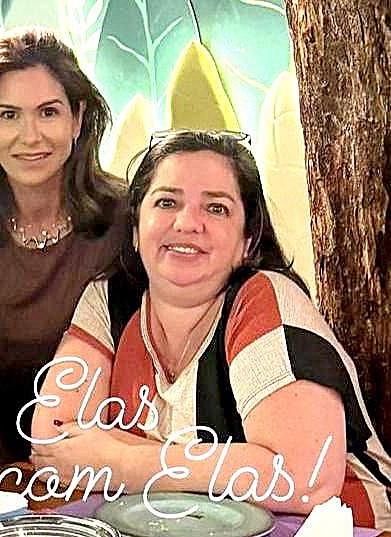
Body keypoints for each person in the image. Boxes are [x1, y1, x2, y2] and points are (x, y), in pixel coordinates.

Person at [30, 131, 391, 529]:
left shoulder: (263, 300)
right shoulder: (108, 300)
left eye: (216, 208)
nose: (187, 223)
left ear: (248, 241)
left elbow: (304, 479)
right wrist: (237, 464)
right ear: (135, 227)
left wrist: (120, 460)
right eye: (167, 202)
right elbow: (53, 442)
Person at [0, 27, 128, 471]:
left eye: (48, 112)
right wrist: (18, 468)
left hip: (112, 459)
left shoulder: (129, 220)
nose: (30, 136)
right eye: (9, 115)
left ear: (77, 119)